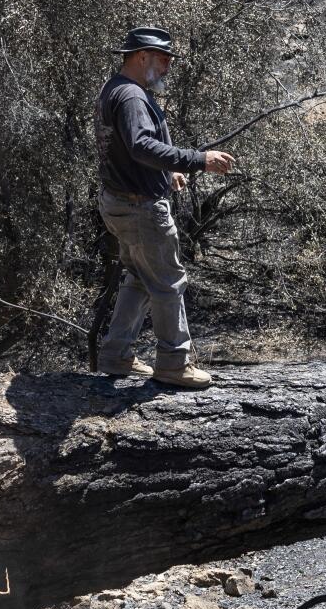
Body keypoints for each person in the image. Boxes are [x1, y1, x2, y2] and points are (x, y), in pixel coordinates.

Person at [94, 26, 234, 388]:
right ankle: (174, 363)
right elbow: (140, 145)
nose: (169, 66)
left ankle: (116, 355)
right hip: (140, 208)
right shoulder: (133, 98)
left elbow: (127, 151)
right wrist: (196, 159)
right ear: (142, 56)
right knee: (169, 283)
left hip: (119, 202)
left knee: (140, 277)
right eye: (164, 58)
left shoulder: (115, 90)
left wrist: (166, 172)